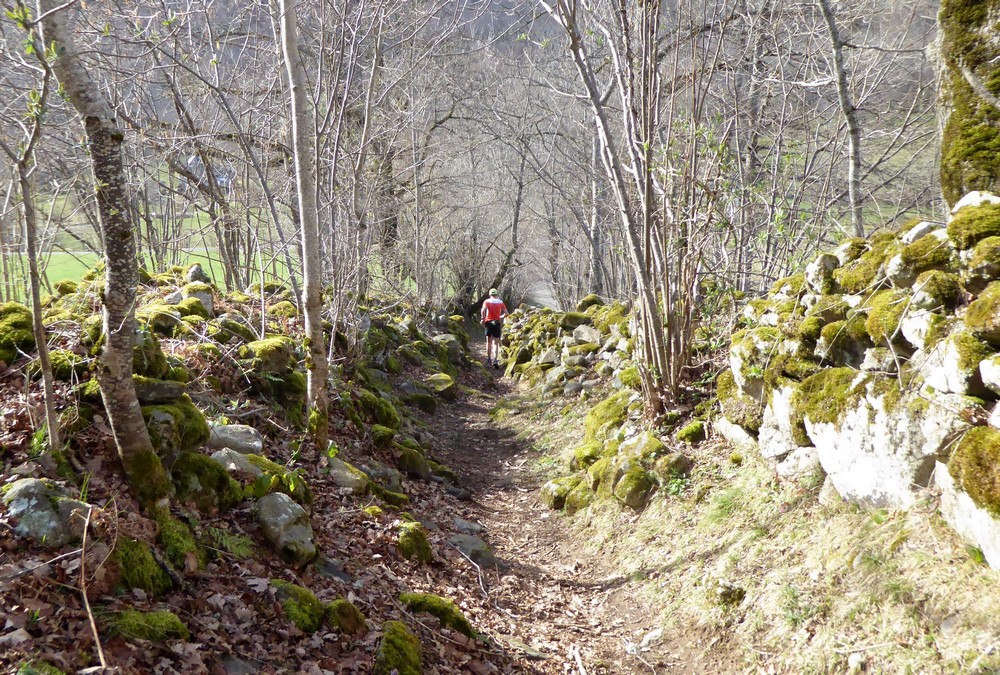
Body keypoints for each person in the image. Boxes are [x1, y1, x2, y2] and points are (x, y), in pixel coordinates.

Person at [480, 288, 508, 369]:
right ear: (496, 294)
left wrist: (482, 319)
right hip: (496, 323)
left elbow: (483, 310)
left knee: (488, 342)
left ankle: (489, 359)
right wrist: (501, 316)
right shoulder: (500, 302)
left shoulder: (487, 301)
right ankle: (495, 359)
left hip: (488, 322)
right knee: (496, 343)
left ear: (490, 294)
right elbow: (506, 313)